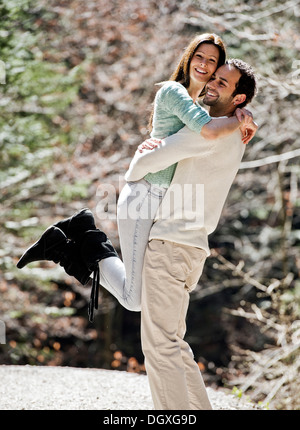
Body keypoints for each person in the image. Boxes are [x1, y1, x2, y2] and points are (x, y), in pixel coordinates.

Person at [16, 34, 256, 322]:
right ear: (189, 57)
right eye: (200, 57)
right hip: (143, 195)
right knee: (134, 299)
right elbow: (210, 131)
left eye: (213, 64)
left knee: (139, 297)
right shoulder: (174, 92)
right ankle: (73, 242)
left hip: (155, 202)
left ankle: (77, 234)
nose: (205, 67)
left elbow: (206, 127)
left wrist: (243, 113)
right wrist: (242, 118)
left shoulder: (196, 105)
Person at [125, 59, 258, 409]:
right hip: (190, 249)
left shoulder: (210, 132)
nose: (211, 84)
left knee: (160, 346)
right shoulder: (232, 134)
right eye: (213, 78)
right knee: (173, 343)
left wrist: (144, 151)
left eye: (223, 83)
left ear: (239, 98)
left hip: (171, 244)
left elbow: (142, 167)